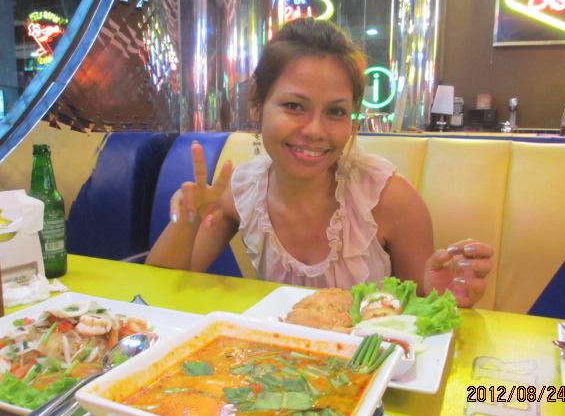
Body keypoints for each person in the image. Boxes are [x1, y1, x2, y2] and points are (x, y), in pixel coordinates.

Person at [146, 17, 493, 307]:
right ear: (257, 104)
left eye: (336, 112)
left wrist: (445, 296)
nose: (315, 130)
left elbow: (426, 312)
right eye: (294, 106)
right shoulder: (241, 193)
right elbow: (158, 290)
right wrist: (187, 221)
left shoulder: (389, 201)